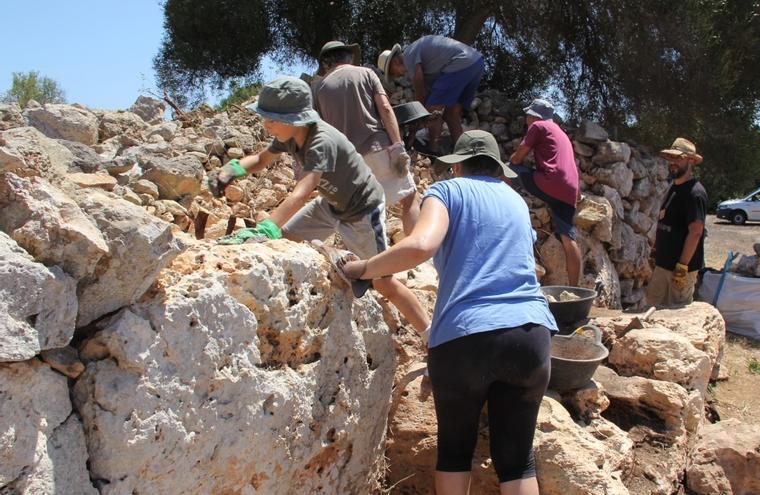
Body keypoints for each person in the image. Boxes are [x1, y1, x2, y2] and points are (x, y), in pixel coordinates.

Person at [339, 130, 557, 495]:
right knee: (518, 460)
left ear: (458, 167)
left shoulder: (447, 191)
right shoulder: (516, 201)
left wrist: (362, 269)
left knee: (455, 453)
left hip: (465, 337)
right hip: (530, 335)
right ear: (497, 169)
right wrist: (410, 209)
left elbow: (422, 244)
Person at [206, 76, 430, 334]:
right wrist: (231, 169)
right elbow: (259, 159)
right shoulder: (290, 135)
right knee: (286, 241)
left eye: (271, 119)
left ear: (294, 119)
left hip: (362, 210)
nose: (265, 125)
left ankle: (430, 334)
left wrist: (268, 227)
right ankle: (335, 256)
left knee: (383, 281)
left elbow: (302, 191)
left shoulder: (321, 141)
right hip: (331, 204)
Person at [312, 40, 421, 235]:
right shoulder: (366, 73)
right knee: (409, 198)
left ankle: (372, 261)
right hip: (377, 147)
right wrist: (397, 146)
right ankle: (416, 253)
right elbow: (386, 109)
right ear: (350, 57)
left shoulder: (318, 89)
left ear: (326, 64)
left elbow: (320, 130)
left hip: (348, 162)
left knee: (364, 214)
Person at [508, 99, 583, 286]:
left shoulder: (538, 126)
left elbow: (518, 156)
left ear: (534, 115)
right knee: (568, 238)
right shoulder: (561, 132)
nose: (526, 118)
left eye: (528, 115)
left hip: (550, 182)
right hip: (569, 190)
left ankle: (501, 208)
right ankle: (575, 288)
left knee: (507, 170)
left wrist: (511, 162)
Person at [378, 35, 484, 155]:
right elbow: (427, 93)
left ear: (396, 61)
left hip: (460, 63)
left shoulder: (409, 55)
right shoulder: (428, 64)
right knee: (451, 115)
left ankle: (433, 151)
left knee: (433, 110)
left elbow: (420, 92)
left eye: (392, 73)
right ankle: (463, 154)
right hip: (476, 63)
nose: (396, 77)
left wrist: (415, 119)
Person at [645, 137, 708, 307]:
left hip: (680, 271)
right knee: (651, 309)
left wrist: (682, 267)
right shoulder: (673, 188)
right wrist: (656, 250)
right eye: (671, 158)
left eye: (678, 158)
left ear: (690, 160)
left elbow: (695, 232)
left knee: (676, 314)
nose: (673, 162)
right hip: (663, 266)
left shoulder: (695, 193)